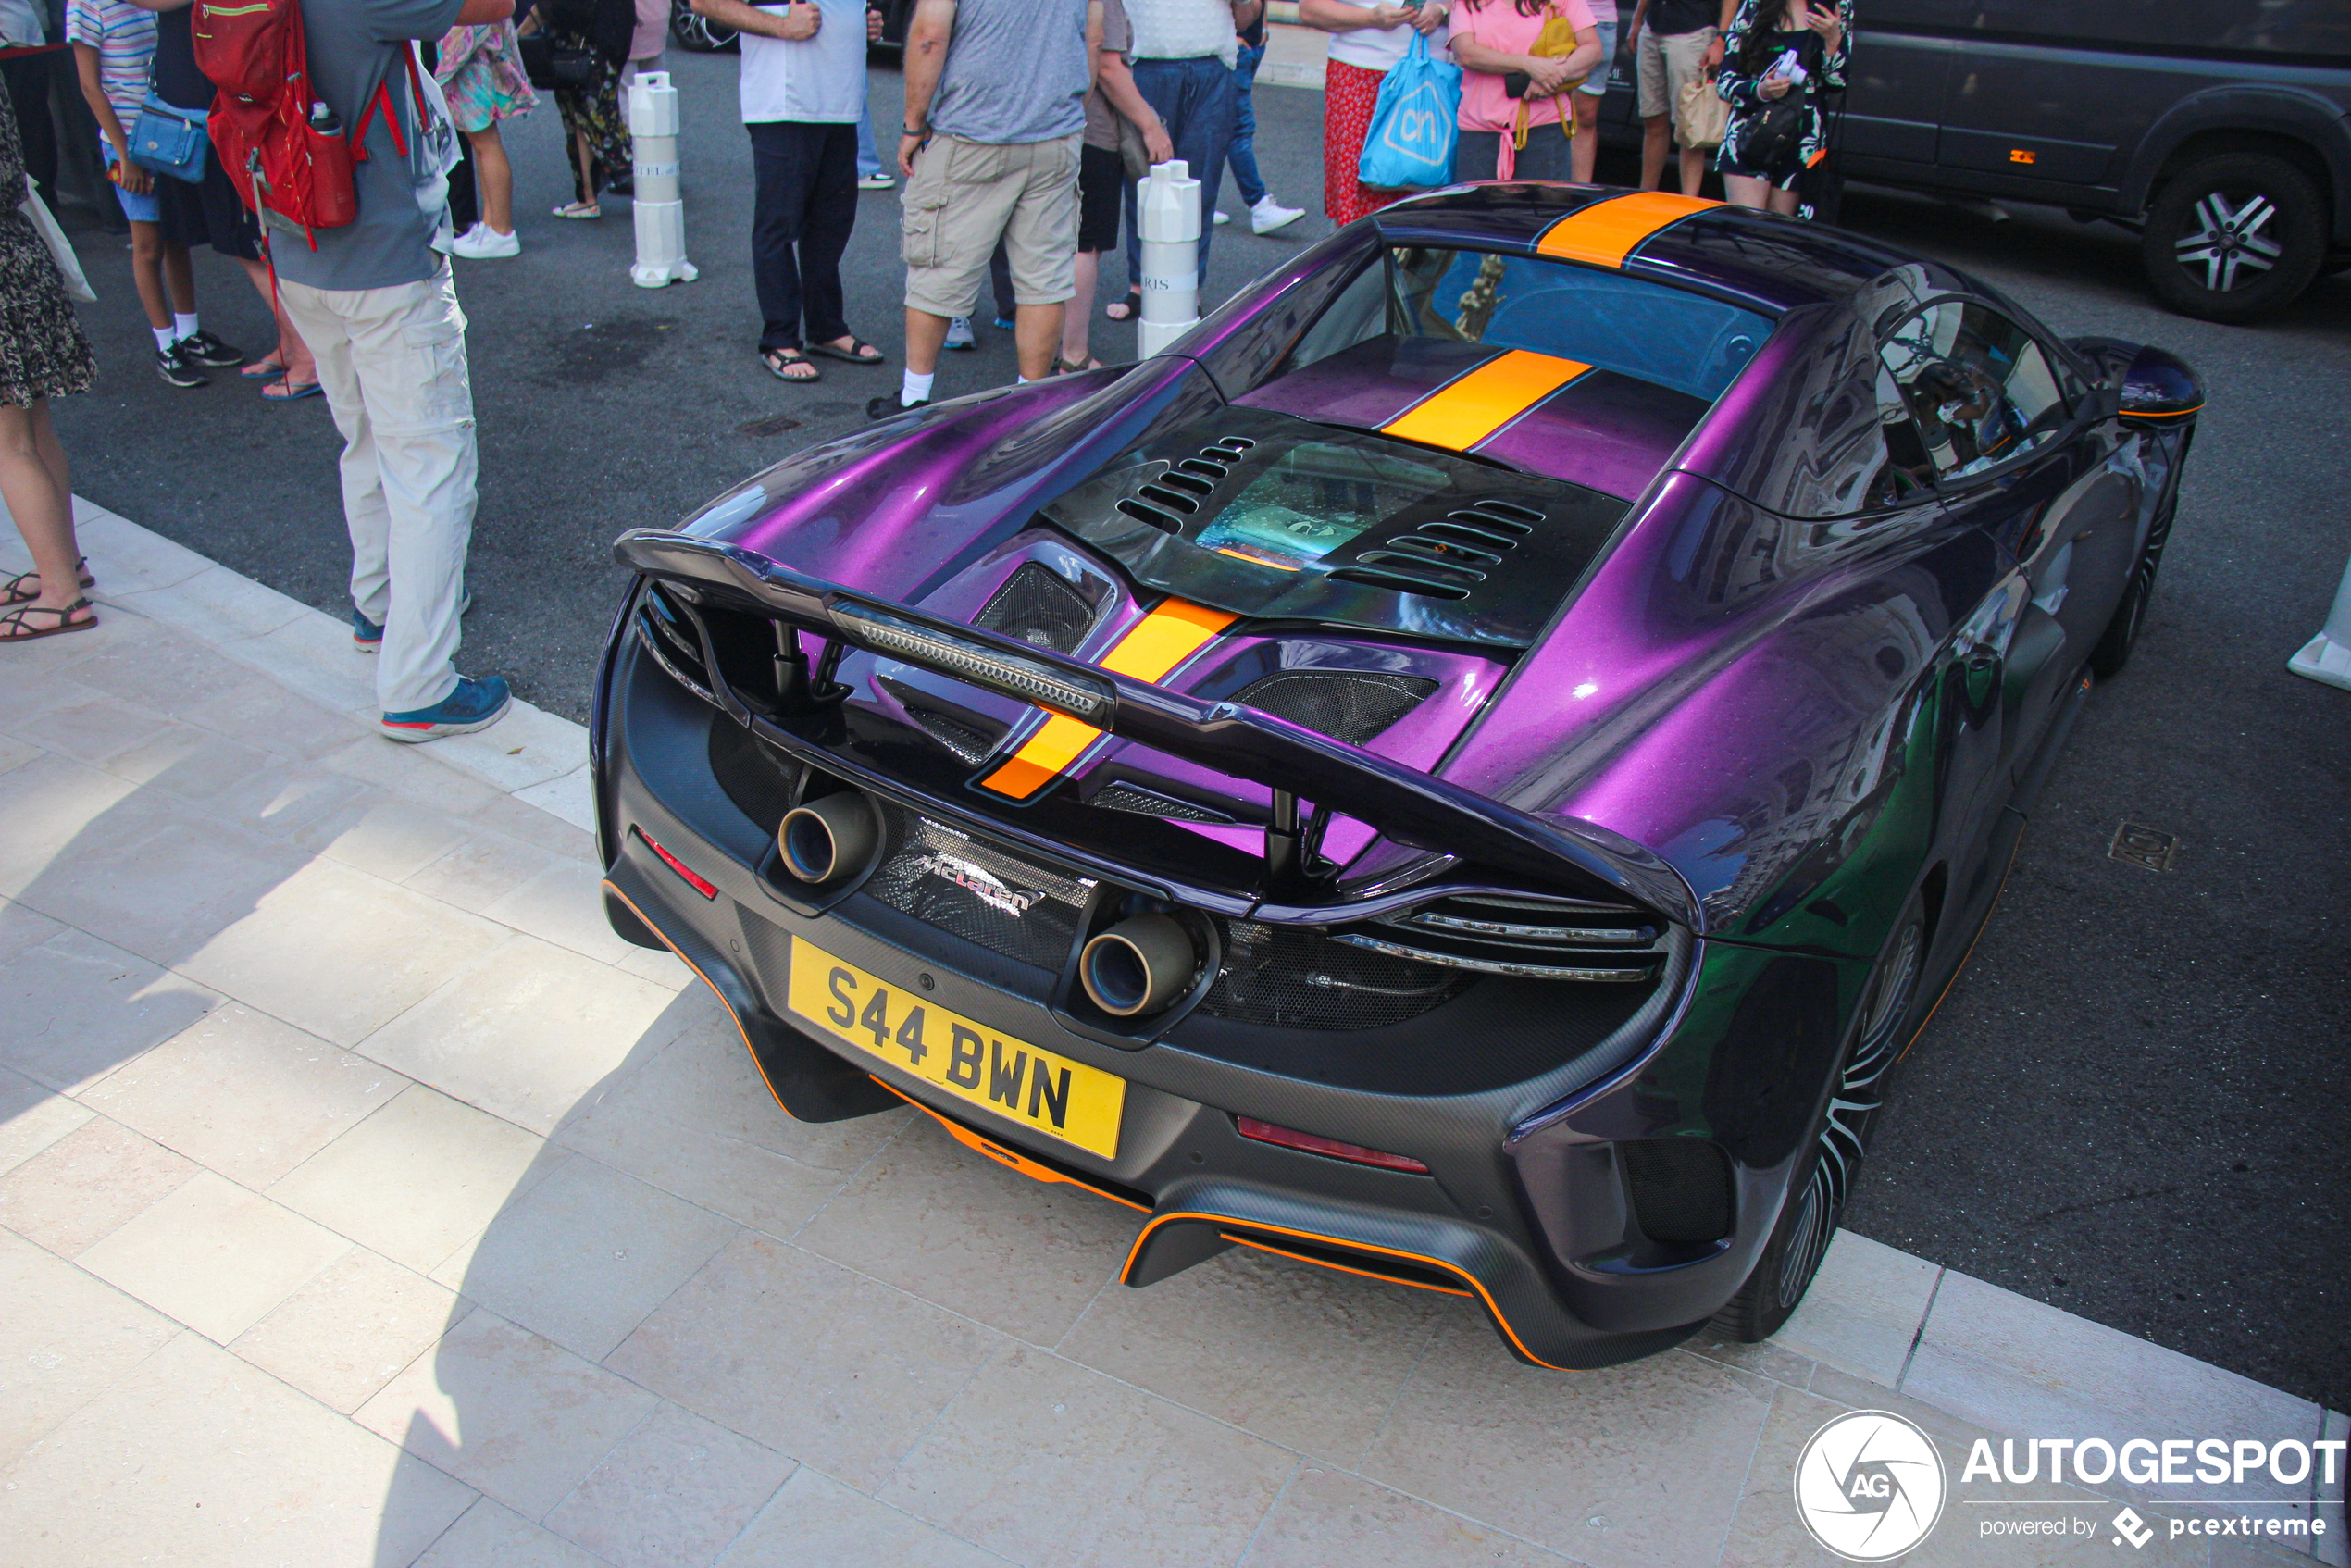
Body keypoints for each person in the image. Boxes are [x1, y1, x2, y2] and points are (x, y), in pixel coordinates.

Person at [272, 0, 516, 740]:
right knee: (432, 468)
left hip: (299, 243)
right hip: (384, 254)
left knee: (366, 438)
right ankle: (419, 685)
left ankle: (377, 608)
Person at [874, 0, 1091, 418]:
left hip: (973, 131)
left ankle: (914, 399)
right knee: (1043, 279)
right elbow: (1093, 37)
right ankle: (1030, 403)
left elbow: (928, 38)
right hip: (1056, 135)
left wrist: (913, 124)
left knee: (937, 265)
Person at [120, 0, 319, 398]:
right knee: (247, 242)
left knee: (249, 243)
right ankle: (292, 346)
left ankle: (309, 359)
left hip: (222, 111)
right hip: (212, 109)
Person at [690, 0, 888, 381]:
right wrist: (782, 26)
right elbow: (704, 3)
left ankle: (826, 328)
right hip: (783, 106)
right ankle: (779, 337)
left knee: (831, 225)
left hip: (841, 105)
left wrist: (864, 23)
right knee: (778, 226)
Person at [68, 0, 245, 387]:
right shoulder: (85, 5)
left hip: (168, 130)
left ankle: (189, 333)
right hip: (128, 140)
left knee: (176, 236)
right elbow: (88, 85)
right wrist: (124, 153)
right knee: (147, 244)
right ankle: (166, 345)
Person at [0, 72, 99, 644]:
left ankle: (62, 592)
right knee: (33, 429)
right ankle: (63, 564)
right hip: (16, 253)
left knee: (10, 442)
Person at [1113, 0, 1253, 323]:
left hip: (1213, 66)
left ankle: (1190, 285)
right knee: (1144, 180)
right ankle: (1140, 283)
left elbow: (1246, 18)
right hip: (1147, 62)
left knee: (1200, 187)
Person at [1064, 0, 1166, 369]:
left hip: (1056, 124)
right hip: (1093, 132)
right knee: (1083, 243)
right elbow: (1107, 66)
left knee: (1051, 243)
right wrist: (1150, 124)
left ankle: (1046, 347)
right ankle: (1072, 355)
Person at [1294, 0, 1448, 229]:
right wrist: (1370, 18)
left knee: (1429, 188)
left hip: (1430, 75)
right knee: (1357, 191)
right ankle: (1356, 256)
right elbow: (1311, 9)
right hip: (1359, 70)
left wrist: (1442, 11)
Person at [1713, 0, 1846, 213]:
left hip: (1802, 137)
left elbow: (1837, 83)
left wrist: (1832, 40)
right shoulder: (1755, 4)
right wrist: (1760, 90)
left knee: (1779, 236)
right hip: (1752, 129)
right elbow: (1725, 82)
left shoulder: (1835, 6)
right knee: (1747, 228)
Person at [1449, 0, 1598, 182]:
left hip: (1544, 126)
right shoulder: (1467, 2)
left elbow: (1592, 49)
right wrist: (1528, 65)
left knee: (1544, 209)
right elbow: (1465, 53)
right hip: (1480, 127)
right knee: (1476, 209)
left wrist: (1551, 76)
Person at [434, 12, 536, 256]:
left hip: (473, 55)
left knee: (486, 141)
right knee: (481, 141)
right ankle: (491, 225)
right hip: (475, 51)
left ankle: (501, 230)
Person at [535, 0, 633, 218]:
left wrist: (525, 27)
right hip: (609, 34)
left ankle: (647, 178)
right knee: (584, 116)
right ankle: (587, 197)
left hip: (587, 39)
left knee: (595, 117)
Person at [1627, 0, 1729, 194]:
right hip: (1653, 25)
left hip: (1693, 31)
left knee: (1690, 127)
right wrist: (1637, 18)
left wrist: (1721, 39)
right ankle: (1645, 195)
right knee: (1653, 118)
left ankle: (1688, 203)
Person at [1213, 7, 1300, 233]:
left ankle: (1199, 200)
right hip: (1233, 46)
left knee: (1219, 124)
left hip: (1250, 44)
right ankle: (1259, 205)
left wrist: (1263, 26)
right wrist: (1223, 37)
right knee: (1239, 128)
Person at [1567, 0, 1611, 181]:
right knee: (1539, 109)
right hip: (1541, 12)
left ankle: (1579, 194)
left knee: (1585, 116)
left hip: (1599, 16)